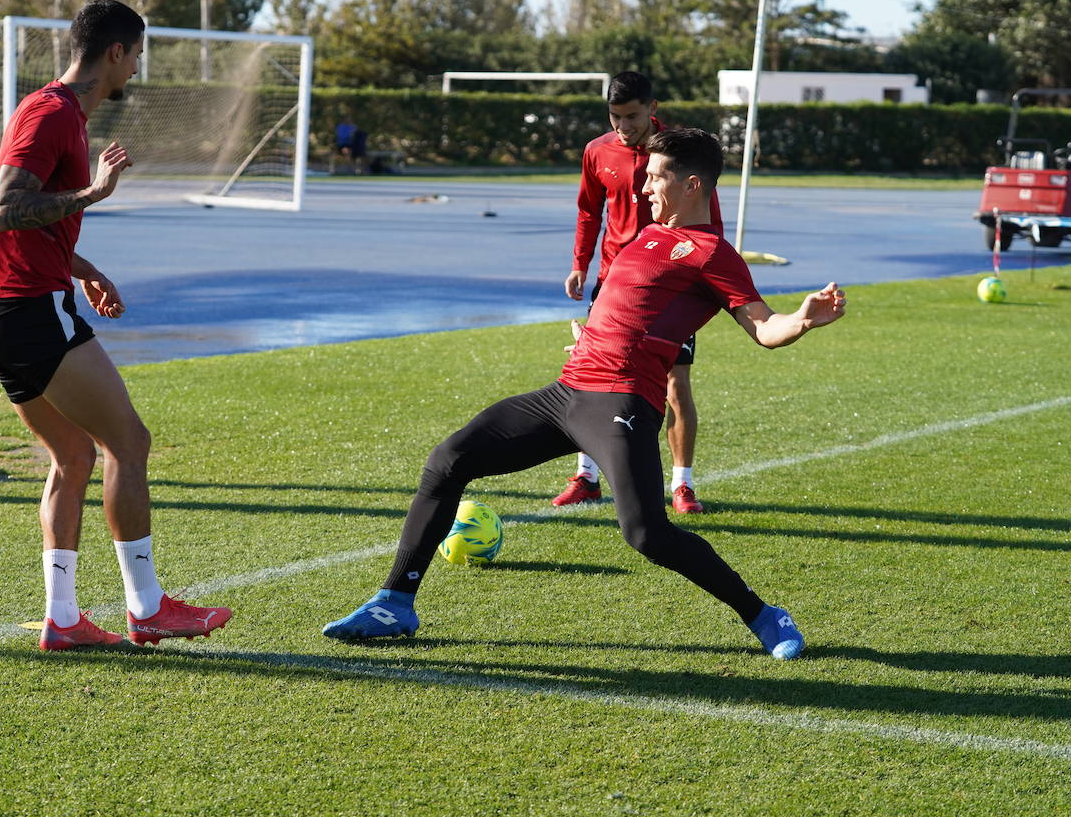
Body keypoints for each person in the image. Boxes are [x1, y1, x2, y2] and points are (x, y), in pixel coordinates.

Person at [323, 128, 846, 659]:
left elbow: (763, 328)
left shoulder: (714, 253)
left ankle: (764, 615)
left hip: (620, 403)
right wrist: (592, 331)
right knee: (448, 460)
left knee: (646, 533)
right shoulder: (645, 236)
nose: (643, 188)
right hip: (566, 391)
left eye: (654, 178)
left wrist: (802, 320)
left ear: (692, 184)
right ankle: (395, 602)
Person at [0, 0, 232, 651]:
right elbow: (2, 211)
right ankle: (147, 607)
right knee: (129, 444)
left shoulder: (55, 111)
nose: (137, 66)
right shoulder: (53, 112)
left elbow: (25, 217)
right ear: (117, 51)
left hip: (3, 311)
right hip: (28, 311)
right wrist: (94, 194)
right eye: (137, 53)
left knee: (75, 455)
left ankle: (62, 621)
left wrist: (80, 266)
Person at [555, 71, 724, 515]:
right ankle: (586, 477)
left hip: (668, 286)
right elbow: (589, 211)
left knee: (674, 383)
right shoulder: (597, 151)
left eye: (632, 116)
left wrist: (702, 282)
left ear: (653, 108)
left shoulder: (679, 154)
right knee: (589, 373)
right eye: (615, 117)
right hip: (612, 283)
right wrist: (579, 263)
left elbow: (708, 218)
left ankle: (682, 485)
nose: (623, 126)